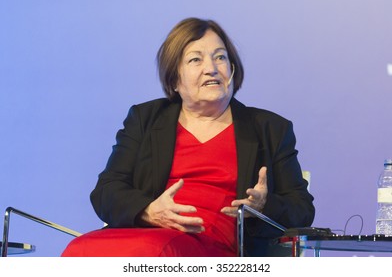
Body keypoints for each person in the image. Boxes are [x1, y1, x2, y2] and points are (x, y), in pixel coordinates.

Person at [61, 17, 315, 257]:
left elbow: (302, 209)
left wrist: (263, 207)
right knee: (79, 249)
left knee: (154, 253)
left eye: (220, 58)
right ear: (174, 80)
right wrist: (148, 211)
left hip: (216, 249)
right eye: (196, 60)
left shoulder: (269, 128)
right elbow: (106, 193)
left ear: (233, 70)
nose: (211, 69)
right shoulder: (145, 118)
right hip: (144, 234)